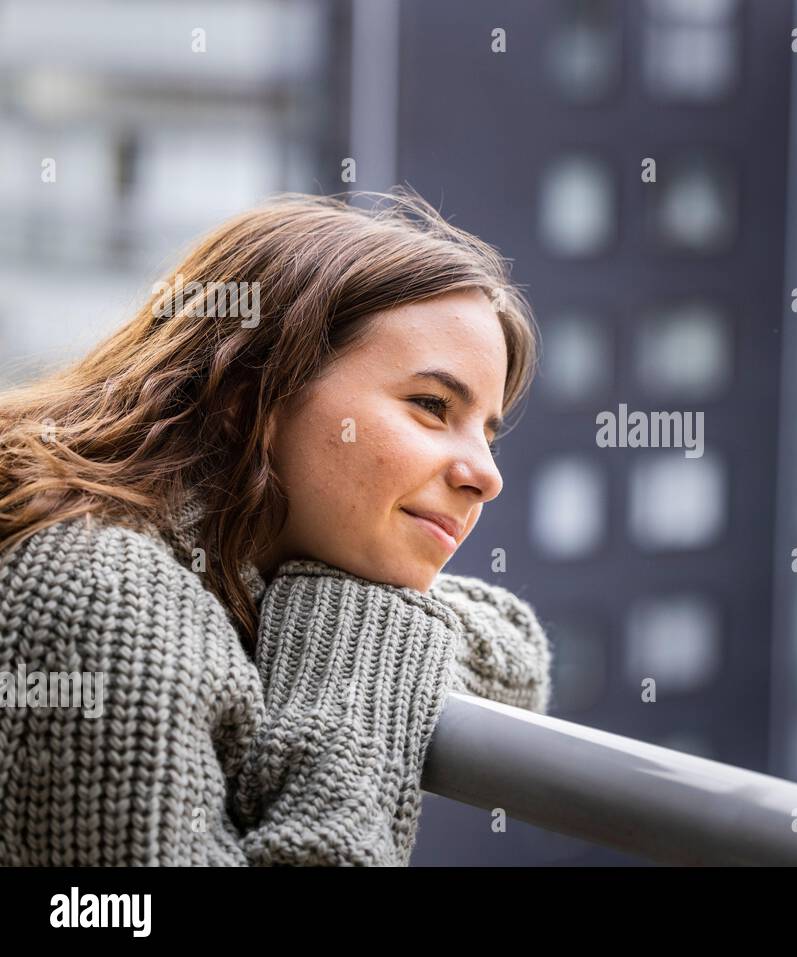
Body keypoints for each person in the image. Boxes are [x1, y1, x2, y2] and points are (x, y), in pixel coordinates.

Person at [0, 190, 551, 865]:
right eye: (431, 405)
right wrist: (353, 697)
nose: (486, 475)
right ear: (245, 396)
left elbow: (514, 654)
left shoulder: (223, 568)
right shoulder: (109, 596)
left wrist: (350, 618)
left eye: (487, 433)